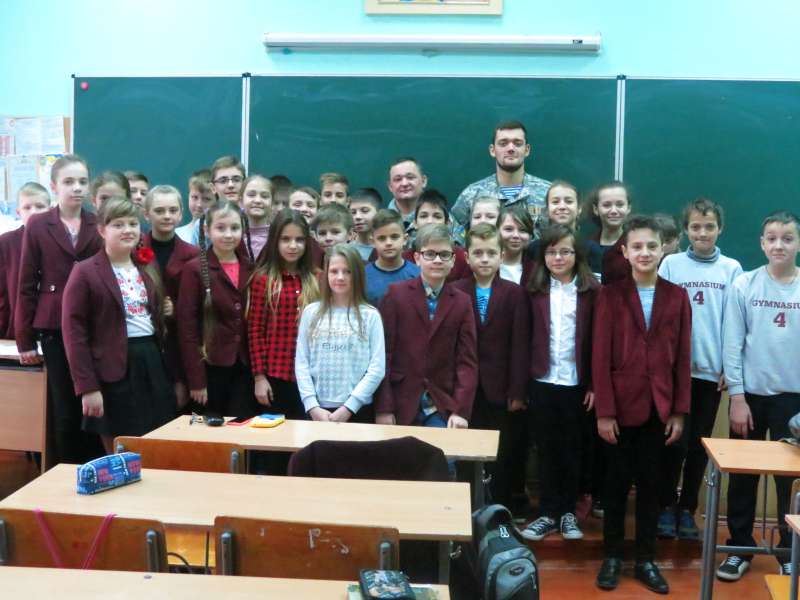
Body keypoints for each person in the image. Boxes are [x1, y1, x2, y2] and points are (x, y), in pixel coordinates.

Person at [593, 215, 691, 594]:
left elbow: (682, 357)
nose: (645, 252)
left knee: (652, 487)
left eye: (652, 245)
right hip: (619, 408)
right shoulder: (610, 295)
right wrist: (604, 411)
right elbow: (599, 357)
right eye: (637, 246)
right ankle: (613, 556)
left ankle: (646, 559)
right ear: (625, 251)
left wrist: (678, 410)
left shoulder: (677, 296)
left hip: (659, 408)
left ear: (663, 248)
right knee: (615, 486)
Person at [717, 210, 800, 581]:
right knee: (743, 476)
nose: (779, 245)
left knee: (789, 481)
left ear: (798, 244)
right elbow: (732, 343)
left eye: (787, 238)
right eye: (772, 238)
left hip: (793, 401)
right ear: (762, 244)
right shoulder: (744, 284)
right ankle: (739, 548)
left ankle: (788, 550)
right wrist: (737, 397)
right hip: (749, 397)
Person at [656, 198, 742, 540]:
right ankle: (665, 505)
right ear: (685, 230)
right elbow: (658, 316)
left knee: (697, 445)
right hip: (673, 374)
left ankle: (687, 509)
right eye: (695, 227)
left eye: (709, 226)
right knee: (671, 442)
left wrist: (729, 367)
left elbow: (735, 323)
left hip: (709, 374)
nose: (702, 233)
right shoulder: (671, 264)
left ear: (720, 228)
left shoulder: (732, 269)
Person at [62, 196, 175, 453]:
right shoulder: (85, 271)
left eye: (133, 224)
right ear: (102, 230)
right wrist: (88, 387)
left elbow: (155, 315)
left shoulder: (147, 266)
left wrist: (165, 309)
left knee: (156, 442)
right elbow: (74, 334)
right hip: (113, 370)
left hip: (151, 360)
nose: (127, 230)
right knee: (121, 449)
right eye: (118, 225)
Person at [15, 154, 104, 464]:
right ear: (54, 186)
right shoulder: (39, 224)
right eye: (69, 182)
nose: (76, 188)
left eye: (82, 181)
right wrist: (25, 340)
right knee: (64, 409)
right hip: (53, 326)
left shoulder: (97, 222)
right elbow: (27, 283)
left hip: (93, 325)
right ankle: (66, 473)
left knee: (93, 406)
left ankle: (96, 471)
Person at [521, 224, 599, 542]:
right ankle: (547, 513)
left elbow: (598, 342)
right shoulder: (534, 290)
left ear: (576, 255)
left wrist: (594, 385)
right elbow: (523, 337)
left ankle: (568, 512)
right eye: (551, 252)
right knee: (546, 449)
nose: (558, 258)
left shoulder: (592, 291)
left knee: (572, 450)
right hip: (542, 381)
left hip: (577, 384)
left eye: (565, 251)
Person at [452, 223, 529, 508]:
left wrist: (517, 390)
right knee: (465, 452)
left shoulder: (515, 293)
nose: (484, 259)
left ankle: (499, 514)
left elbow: (520, 345)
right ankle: (467, 511)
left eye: (491, 253)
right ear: (467, 257)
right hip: (464, 391)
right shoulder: (455, 290)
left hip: (501, 390)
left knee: (501, 453)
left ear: (501, 256)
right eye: (478, 253)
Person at [375, 223, 478, 429]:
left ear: (453, 260)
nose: (437, 260)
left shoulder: (462, 302)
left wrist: (460, 410)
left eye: (444, 255)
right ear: (417, 258)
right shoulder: (395, 295)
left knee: (442, 450)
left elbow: (466, 361)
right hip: (400, 403)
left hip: (441, 405)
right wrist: (383, 408)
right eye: (429, 254)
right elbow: (383, 355)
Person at [177, 201, 256, 418]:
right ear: (207, 230)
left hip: (245, 367)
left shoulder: (250, 267)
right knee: (212, 428)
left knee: (243, 425)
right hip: (210, 367)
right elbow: (187, 328)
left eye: (235, 228)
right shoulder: (194, 269)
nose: (228, 234)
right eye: (221, 228)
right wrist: (196, 380)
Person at [295, 244, 385, 424]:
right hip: (318, 410)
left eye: (348, 271)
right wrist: (311, 405)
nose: (340, 277)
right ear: (326, 274)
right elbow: (302, 362)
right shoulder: (311, 312)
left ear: (357, 274)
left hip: (357, 409)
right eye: (334, 271)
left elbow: (377, 368)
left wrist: (349, 407)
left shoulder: (370, 315)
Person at [248, 208, 320, 422]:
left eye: (299, 240)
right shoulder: (263, 279)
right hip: (275, 374)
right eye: (285, 239)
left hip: (310, 376)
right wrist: (259, 377)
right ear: (274, 241)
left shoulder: (316, 278)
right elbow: (255, 330)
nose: (293, 246)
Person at [141, 184, 199, 411]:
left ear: (181, 213)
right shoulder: (134, 251)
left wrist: (177, 310)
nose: (167, 216)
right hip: (144, 339)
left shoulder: (193, 255)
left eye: (173, 210)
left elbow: (198, 307)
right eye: (159, 210)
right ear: (146, 214)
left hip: (177, 343)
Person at [452, 120, 551, 245]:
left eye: (517, 143)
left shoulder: (548, 194)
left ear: (527, 150)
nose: (511, 148)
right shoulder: (472, 194)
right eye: (503, 143)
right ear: (492, 150)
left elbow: (564, 234)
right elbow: (454, 235)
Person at [0, 183, 50, 339]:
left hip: (52, 327)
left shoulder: (60, 241)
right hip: (15, 327)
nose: (33, 212)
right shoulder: (6, 243)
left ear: (51, 210)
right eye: (27, 207)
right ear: (18, 212)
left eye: (40, 206)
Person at [364, 209, 420, 306]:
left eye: (394, 237)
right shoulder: (362, 276)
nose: (388, 243)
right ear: (373, 242)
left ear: (405, 239)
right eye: (381, 238)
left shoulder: (418, 274)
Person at [587, 181, 633, 284]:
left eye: (620, 205)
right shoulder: (585, 247)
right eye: (606, 205)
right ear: (596, 209)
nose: (613, 211)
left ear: (628, 208)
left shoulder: (636, 248)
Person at [386, 157, 427, 238]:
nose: (404, 183)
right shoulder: (380, 222)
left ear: (423, 181)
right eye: (398, 179)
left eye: (410, 177)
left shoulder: (439, 218)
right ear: (390, 186)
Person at [498, 205, 534, 286]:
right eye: (508, 229)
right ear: (497, 231)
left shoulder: (537, 271)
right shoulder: (486, 266)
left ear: (530, 236)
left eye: (523, 230)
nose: (516, 235)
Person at [176, 169, 215, 245]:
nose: (199, 204)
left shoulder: (221, 236)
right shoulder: (176, 234)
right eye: (194, 197)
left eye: (206, 199)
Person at [240, 174, 273, 260]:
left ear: (272, 203)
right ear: (241, 201)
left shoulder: (277, 235)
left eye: (264, 196)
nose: (258, 200)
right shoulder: (234, 234)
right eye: (251, 195)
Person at [349, 188, 381, 261]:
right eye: (353, 212)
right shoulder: (348, 249)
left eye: (364, 211)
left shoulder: (387, 247)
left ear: (378, 213)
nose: (357, 217)